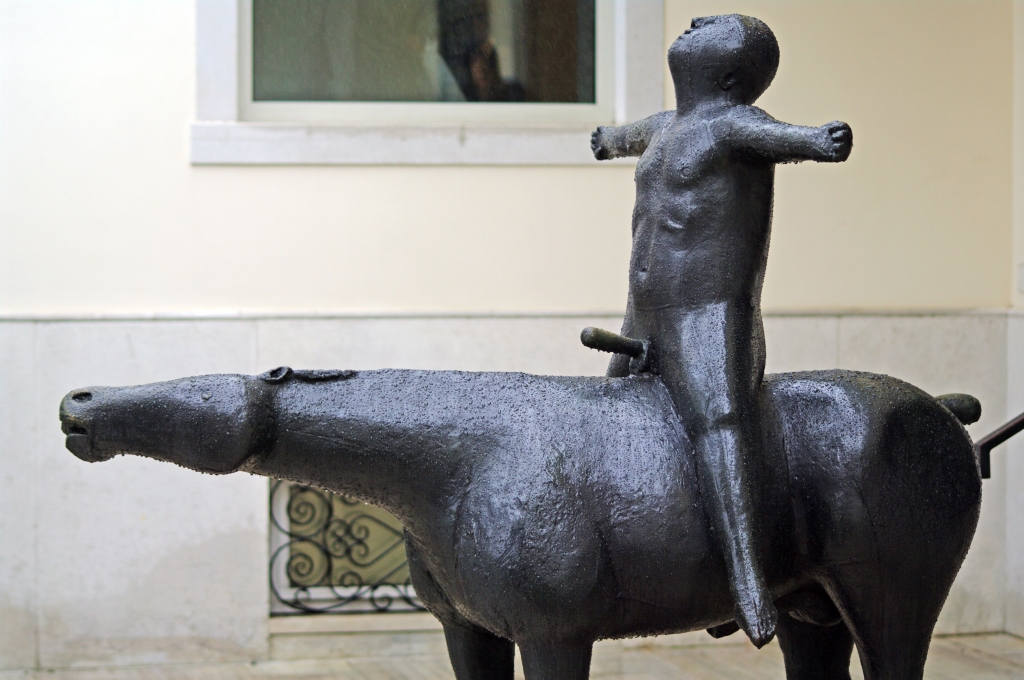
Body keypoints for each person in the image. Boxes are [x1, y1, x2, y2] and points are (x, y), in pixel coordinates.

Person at [591, 14, 852, 647]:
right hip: (644, 309)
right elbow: (621, 138)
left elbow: (793, 139)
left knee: (719, 428)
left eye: (710, 27)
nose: (693, 22)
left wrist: (822, 140)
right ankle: (623, 561)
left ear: (731, 75)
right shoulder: (663, 126)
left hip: (708, 315)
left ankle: (747, 580)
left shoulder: (737, 124)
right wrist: (607, 140)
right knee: (604, 417)